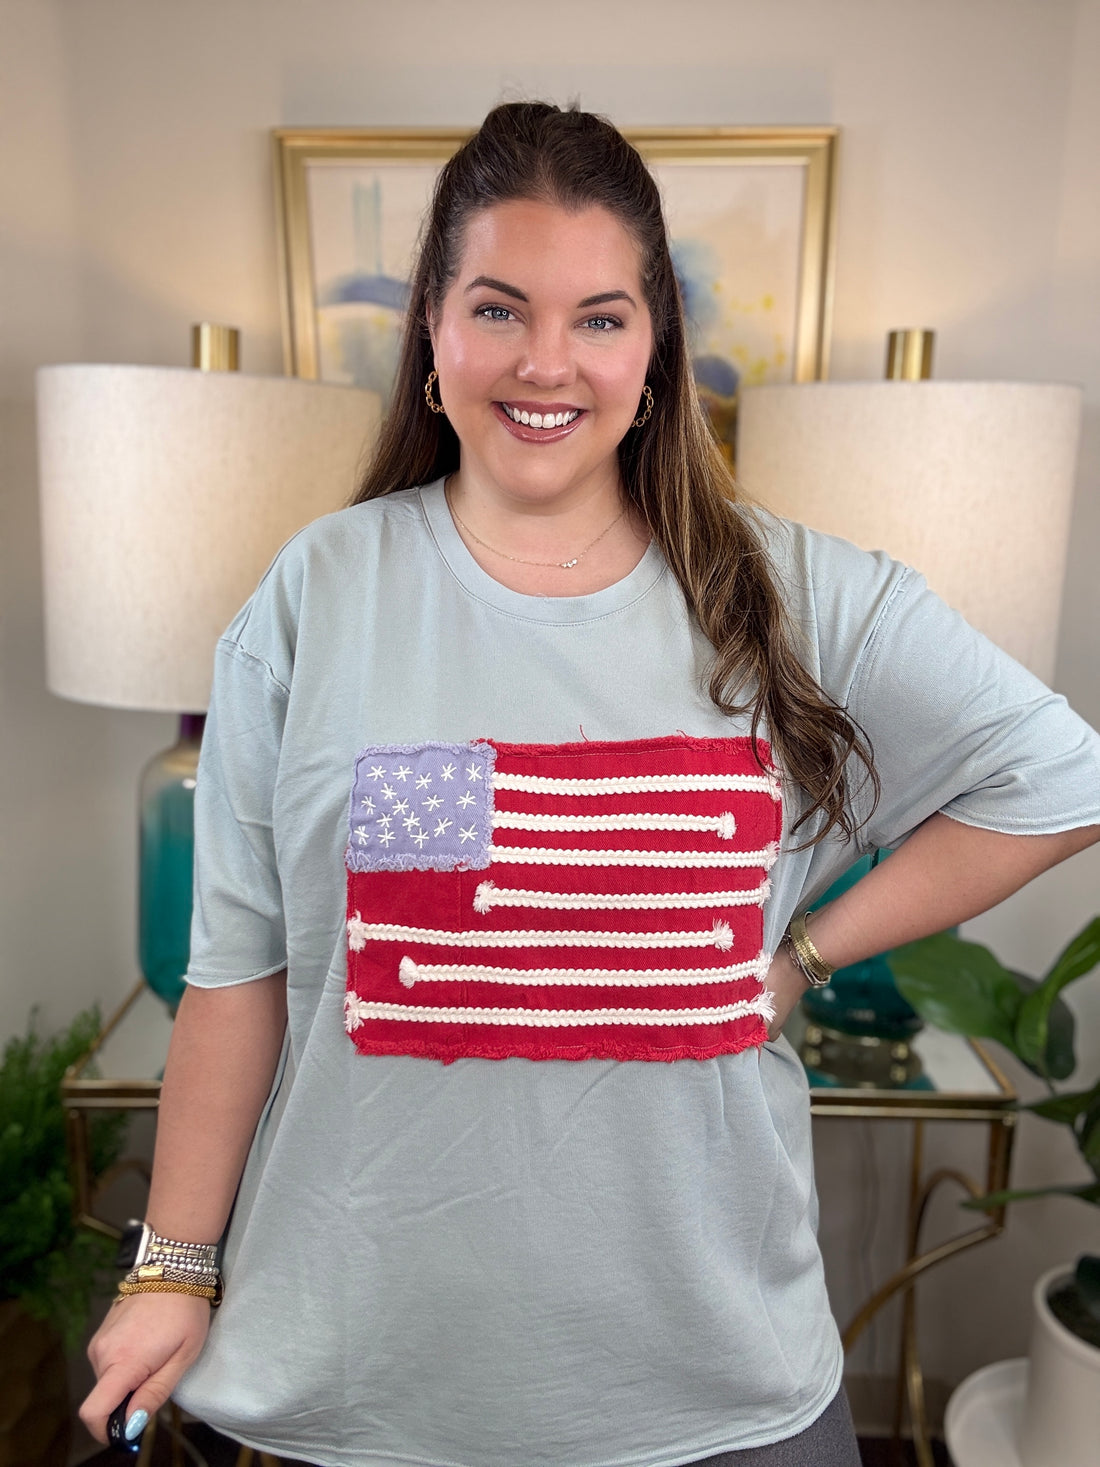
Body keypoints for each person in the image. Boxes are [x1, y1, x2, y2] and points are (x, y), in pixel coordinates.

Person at [81, 102, 1100, 1467]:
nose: (546, 361)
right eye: (498, 309)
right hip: (373, 1385)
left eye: (600, 318)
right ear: (432, 336)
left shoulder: (796, 595)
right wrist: (171, 1268)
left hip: (718, 1394)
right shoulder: (320, 595)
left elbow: (1059, 776)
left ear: (654, 350)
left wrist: (803, 949)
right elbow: (239, 975)